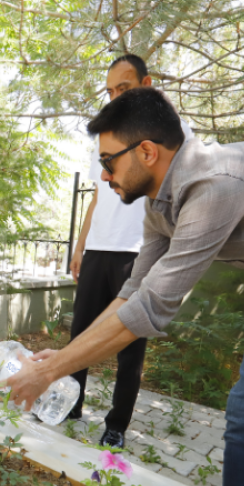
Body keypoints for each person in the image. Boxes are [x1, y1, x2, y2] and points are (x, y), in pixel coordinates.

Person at [7, 85, 244, 486]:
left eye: (108, 161)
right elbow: (131, 292)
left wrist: (47, 373)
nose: (103, 176)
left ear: (146, 152)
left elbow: (152, 308)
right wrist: (63, 357)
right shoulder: (159, 207)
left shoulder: (215, 186)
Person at [67, 55, 194, 448]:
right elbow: (96, 196)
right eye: (109, 90)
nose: (114, 96)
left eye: (123, 88)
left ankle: (116, 425)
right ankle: (69, 404)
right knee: (79, 335)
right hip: (98, 251)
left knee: (129, 347)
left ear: (147, 82)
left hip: (140, 253)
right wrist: (80, 244)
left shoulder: (173, 132)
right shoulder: (106, 135)